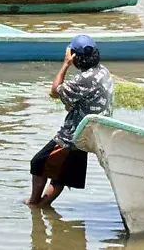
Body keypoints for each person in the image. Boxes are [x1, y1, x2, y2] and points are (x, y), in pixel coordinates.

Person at [28, 35, 113, 208]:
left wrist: (65, 64)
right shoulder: (103, 70)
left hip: (74, 134)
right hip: (90, 133)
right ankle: (42, 207)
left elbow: (54, 91)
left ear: (75, 57)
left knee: (38, 163)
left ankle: (34, 203)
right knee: (62, 173)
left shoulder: (83, 79)